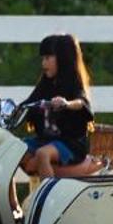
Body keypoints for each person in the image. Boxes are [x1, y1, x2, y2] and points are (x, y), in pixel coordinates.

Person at [20, 32, 98, 179]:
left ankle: (48, 198)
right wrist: (3, 104)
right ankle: (11, 200)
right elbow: (28, 103)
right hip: (46, 140)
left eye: (48, 58)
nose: (43, 64)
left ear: (62, 59)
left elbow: (81, 102)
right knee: (15, 149)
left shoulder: (74, 84)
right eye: (43, 59)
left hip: (70, 144)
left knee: (43, 154)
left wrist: (67, 104)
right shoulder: (45, 84)